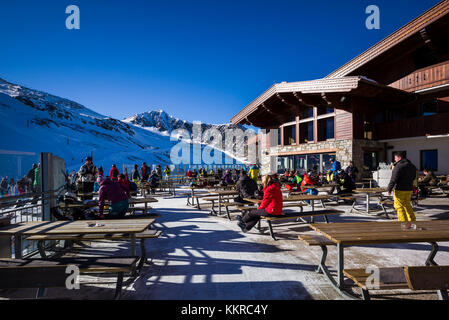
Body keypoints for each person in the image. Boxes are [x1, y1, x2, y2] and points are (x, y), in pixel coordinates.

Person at [387, 151, 417, 222]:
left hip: (400, 189)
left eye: (395, 158)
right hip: (409, 189)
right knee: (407, 205)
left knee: (399, 206)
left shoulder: (398, 166)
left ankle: (403, 223)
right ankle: (412, 220)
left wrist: (389, 189)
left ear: (399, 157)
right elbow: (414, 177)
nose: (394, 159)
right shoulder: (412, 166)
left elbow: (393, 179)